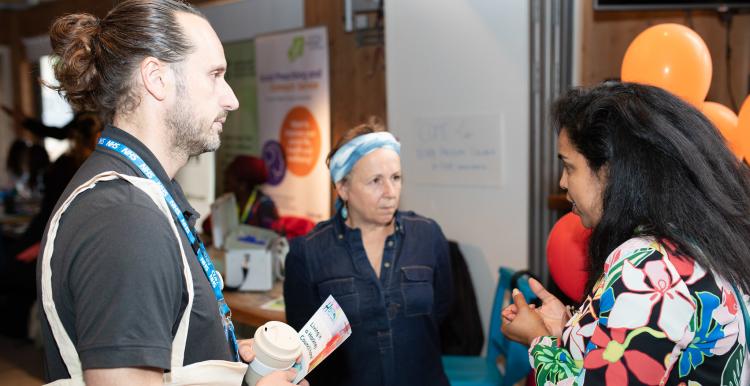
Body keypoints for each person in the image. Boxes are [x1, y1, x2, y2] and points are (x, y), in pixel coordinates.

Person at [36, 1, 306, 385]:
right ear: (156, 78)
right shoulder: (123, 217)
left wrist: (221, 357)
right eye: (214, 75)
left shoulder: (140, 196)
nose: (231, 98)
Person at [501, 82, 750, 385]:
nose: (563, 183)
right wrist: (568, 327)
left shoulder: (650, 266)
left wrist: (538, 339)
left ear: (609, 171)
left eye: (569, 167)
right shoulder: (696, 244)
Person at [284, 118, 454, 386]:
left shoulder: (427, 235)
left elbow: (442, 309)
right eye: (375, 181)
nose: (390, 193)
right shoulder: (308, 252)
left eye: (396, 178)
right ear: (343, 188)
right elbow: (305, 343)